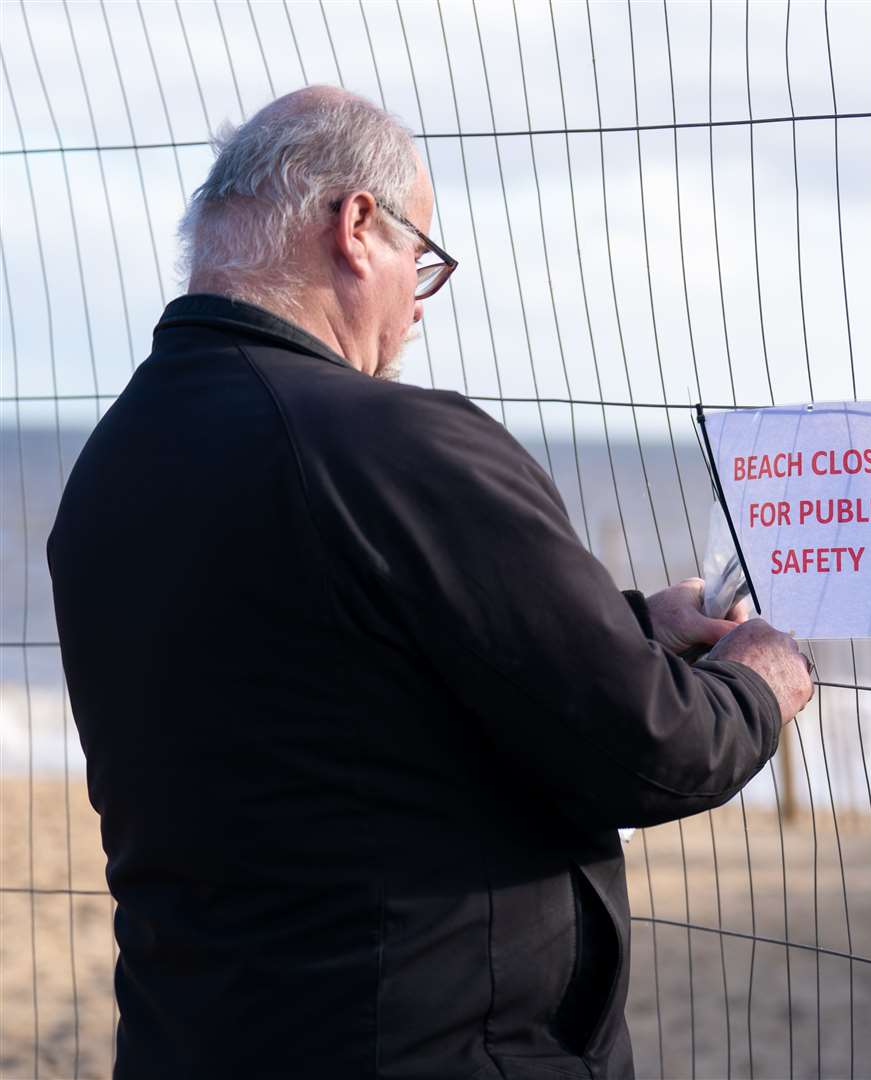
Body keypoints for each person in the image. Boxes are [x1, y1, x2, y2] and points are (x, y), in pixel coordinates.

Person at [47, 85, 814, 1079]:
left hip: (194, 1039)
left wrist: (631, 621)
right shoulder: (396, 445)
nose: (418, 301)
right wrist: (757, 684)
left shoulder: (113, 466)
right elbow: (648, 748)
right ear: (358, 225)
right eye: (425, 257)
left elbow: (326, 670)